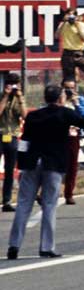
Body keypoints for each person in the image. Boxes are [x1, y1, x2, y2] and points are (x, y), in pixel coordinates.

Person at [8, 85, 84, 259]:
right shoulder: (64, 113)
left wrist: (22, 164)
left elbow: (24, 140)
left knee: (23, 204)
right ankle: (46, 247)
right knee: (49, 205)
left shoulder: (33, 115)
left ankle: (14, 246)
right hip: (53, 164)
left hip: (32, 163)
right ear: (60, 98)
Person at [57, 8, 84, 104]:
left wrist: (76, 24)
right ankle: (65, 99)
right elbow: (56, 36)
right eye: (68, 15)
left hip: (78, 53)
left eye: (72, 15)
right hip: (67, 53)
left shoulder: (81, 25)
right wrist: (63, 22)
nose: (70, 17)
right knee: (68, 80)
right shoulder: (63, 25)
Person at [60, 79, 84, 204]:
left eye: (72, 88)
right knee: (53, 165)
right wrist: (61, 101)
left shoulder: (80, 100)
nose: (69, 91)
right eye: (67, 88)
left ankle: (69, 194)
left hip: (73, 134)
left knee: (72, 166)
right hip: (58, 135)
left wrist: (76, 103)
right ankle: (44, 191)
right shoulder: (57, 98)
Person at [1, 74, 27, 212]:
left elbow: (25, 116)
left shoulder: (19, 99)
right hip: (0, 134)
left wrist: (20, 98)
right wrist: (5, 96)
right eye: (11, 84)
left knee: (10, 171)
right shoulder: (1, 96)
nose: (13, 87)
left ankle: (7, 201)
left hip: (12, 136)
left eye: (16, 84)